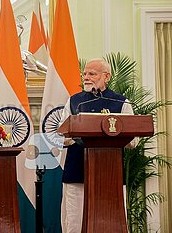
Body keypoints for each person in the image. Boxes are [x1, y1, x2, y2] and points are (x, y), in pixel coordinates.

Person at [59, 58, 134, 233]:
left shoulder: (122, 102)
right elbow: (60, 136)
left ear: (106, 76)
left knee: (110, 222)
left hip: (109, 173)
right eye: (84, 73)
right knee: (75, 222)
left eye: (92, 74)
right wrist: (80, 135)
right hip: (77, 171)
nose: (86, 77)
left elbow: (133, 140)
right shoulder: (74, 101)